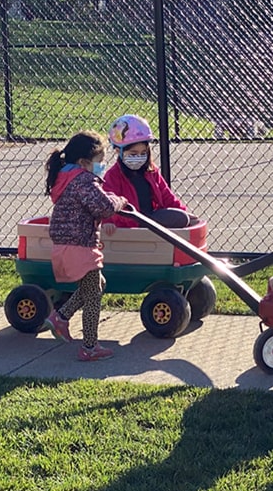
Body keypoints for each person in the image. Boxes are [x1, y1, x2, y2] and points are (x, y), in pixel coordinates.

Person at [42, 130, 127, 361]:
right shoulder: (82, 179)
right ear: (83, 162)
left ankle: (61, 317)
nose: (102, 166)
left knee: (97, 284)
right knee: (93, 296)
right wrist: (120, 201)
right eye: (99, 162)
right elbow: (104, 207)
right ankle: (89, 347)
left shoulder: (67, 178)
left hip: (66, 244)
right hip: (79, 245)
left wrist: (109, 198)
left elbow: (94, 199)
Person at [101, 114, 193, 232]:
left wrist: (183, 211)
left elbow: (166, 195)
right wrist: (108, 222)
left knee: (181, 218)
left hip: (149, 219)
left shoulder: (151, 171)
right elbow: (106, 202)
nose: (139, 157)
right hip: (127, 224)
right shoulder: (113, 176)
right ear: (118, 151)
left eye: (143, 152)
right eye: (133, 154)